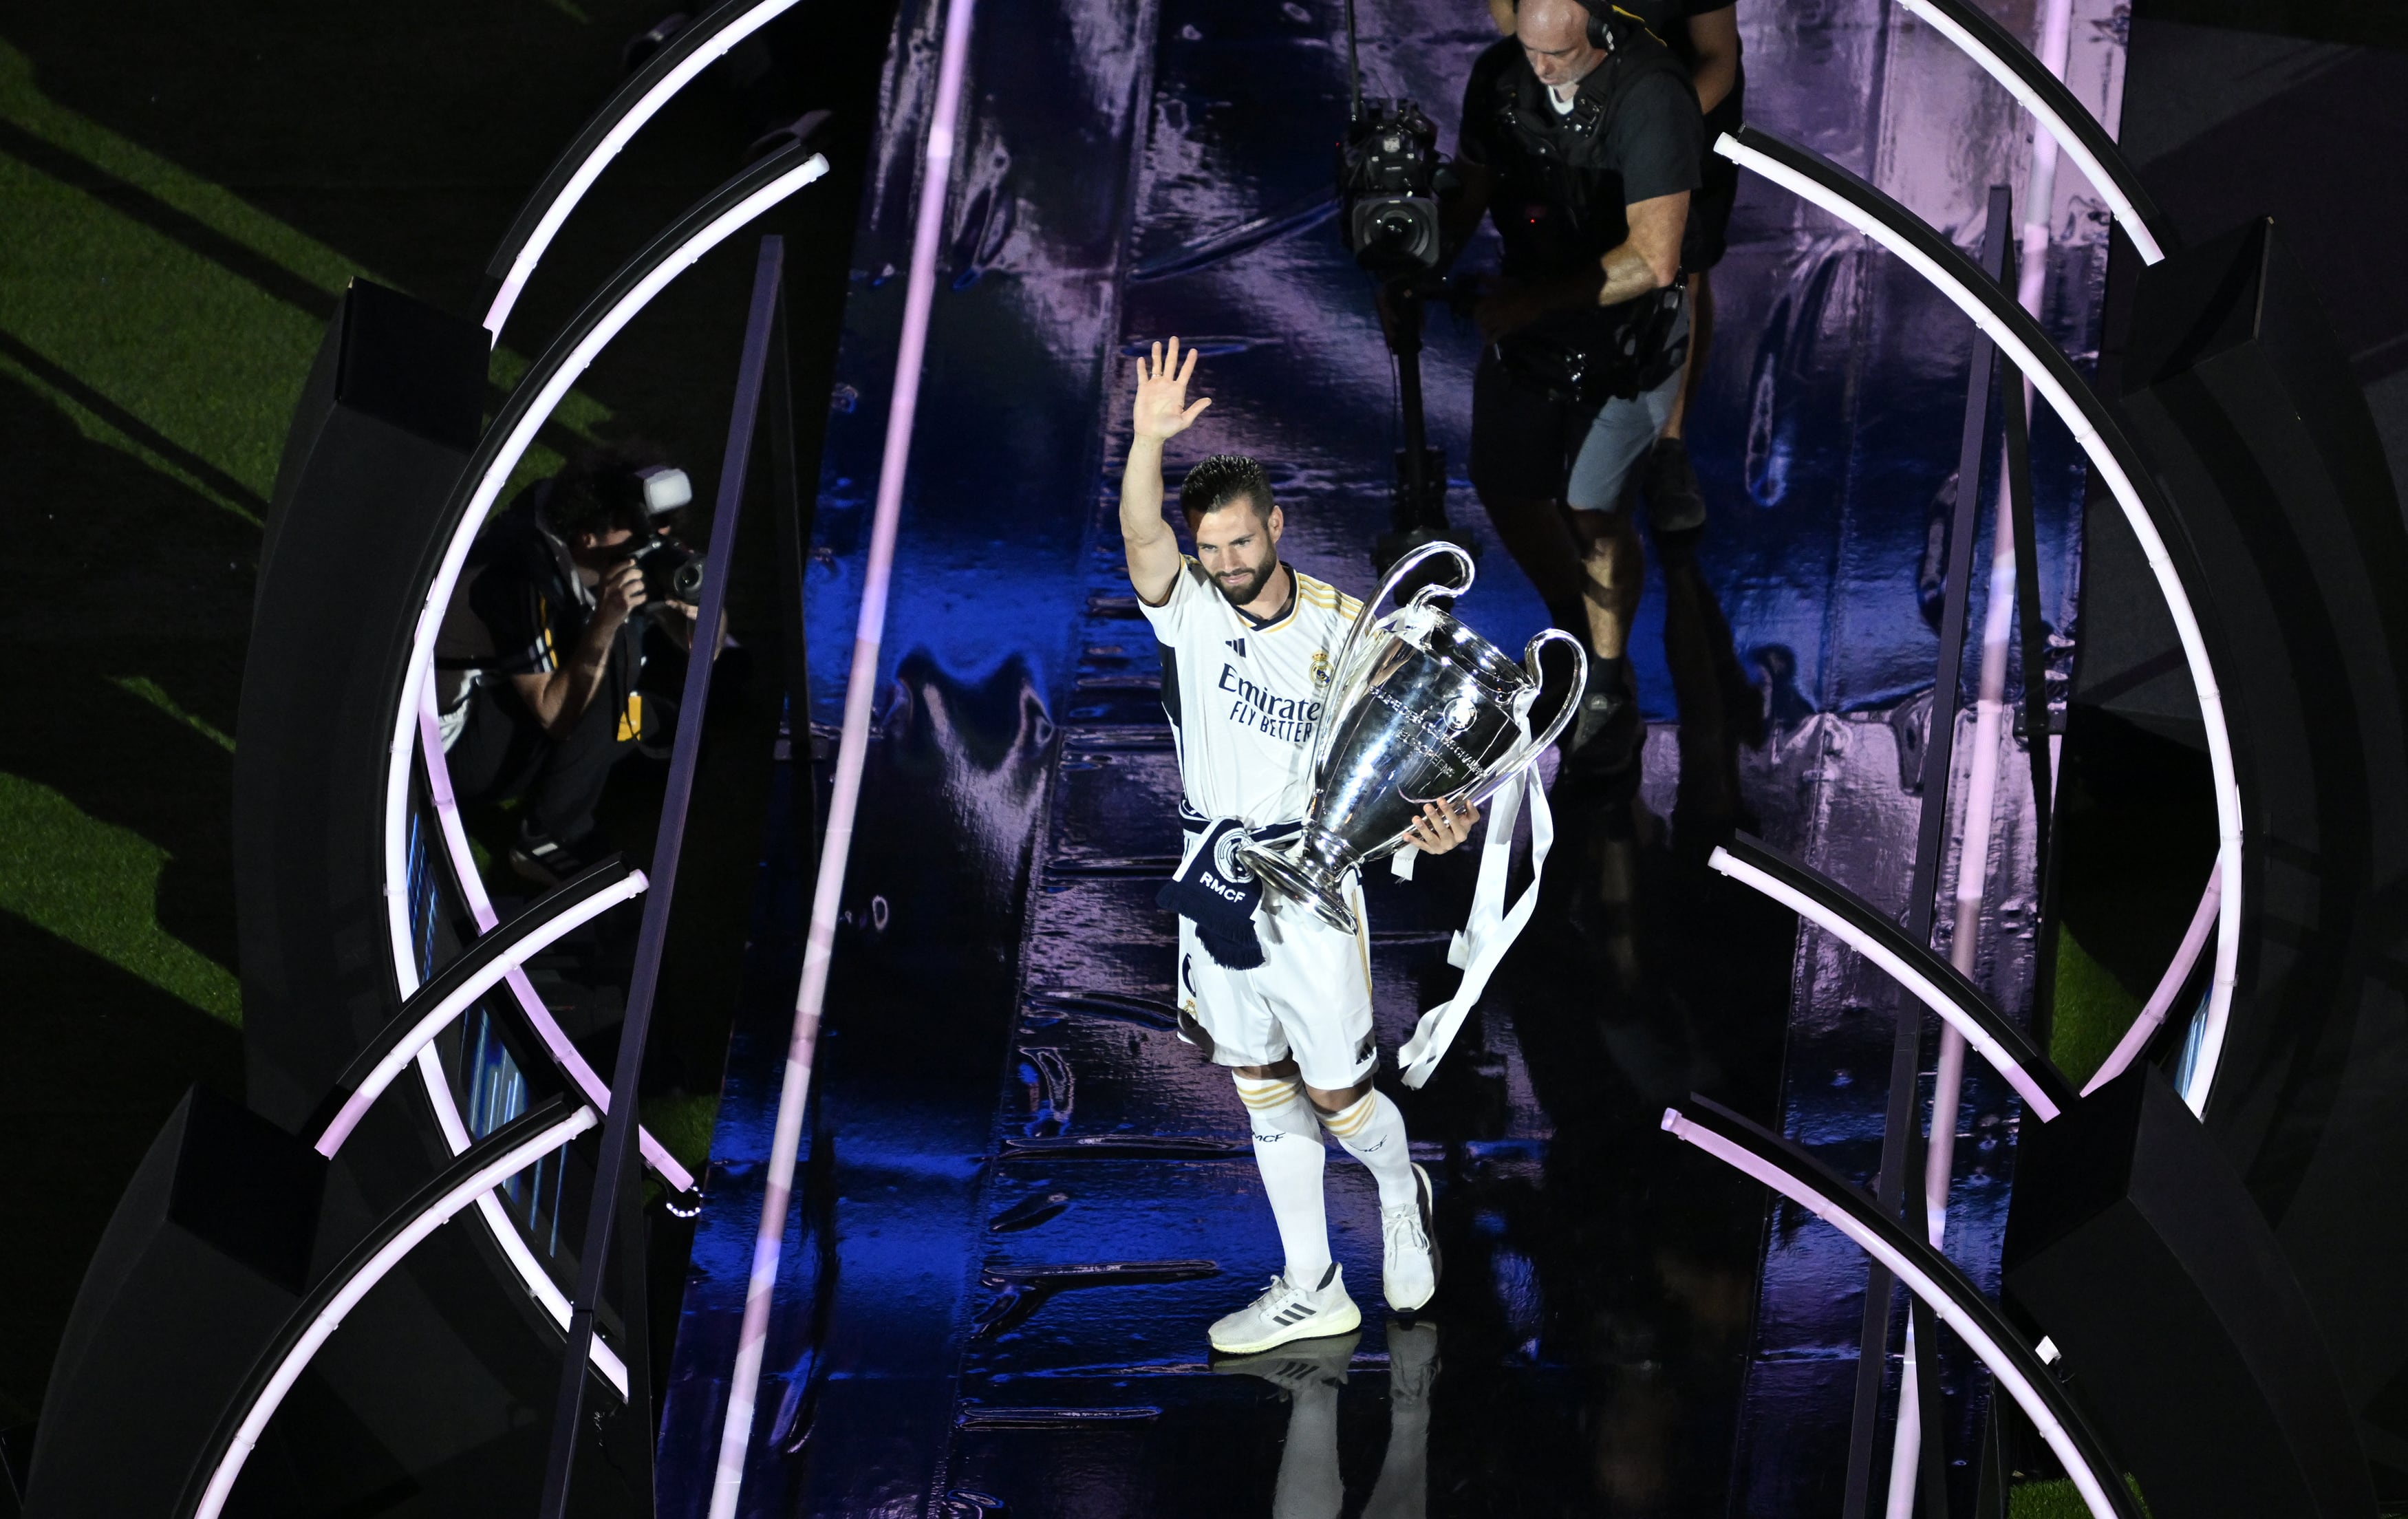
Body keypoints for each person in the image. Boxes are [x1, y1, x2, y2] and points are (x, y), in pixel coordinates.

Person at [1120, 336, 1478, 1355]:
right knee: (1259, 1086)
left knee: (1337, 1095)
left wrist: (1440, 823)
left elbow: (1404, 760)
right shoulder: (1188, 608)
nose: (1228, 564)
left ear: (1277, 526)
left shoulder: (1347, 630)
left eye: (1242, 542)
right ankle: (1313, 1285)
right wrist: (1147, 440)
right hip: (1212, 878)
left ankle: (1399, 1189)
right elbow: (1142, 536)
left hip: (1312, 885)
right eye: (1213, 548)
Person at [1447, 0, 1703, 774]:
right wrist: (1422, 257)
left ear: (1598, 37)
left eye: (1555, 56)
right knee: (1507, 487)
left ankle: (1606, 676)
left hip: (1627, 338)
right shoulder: (1502, 76)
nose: (1539, 70)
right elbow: (1468, 184)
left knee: (1592, 511)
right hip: (1530, 328)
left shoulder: (1651, 92)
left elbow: (1654, 260)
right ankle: (1571, 622)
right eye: (1528, 51)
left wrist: (1534, 301)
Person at [435, 445, 700, 883]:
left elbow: (706, 650)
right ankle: (548, 836)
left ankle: (608, 746)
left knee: (694, 700)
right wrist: (609, 619)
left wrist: (693, 607)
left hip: (500, 688)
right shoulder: (518, 575)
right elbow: (554, 714)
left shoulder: (566, 516)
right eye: (637, 532)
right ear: (588, 537)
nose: (651, 542)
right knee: (614, 654)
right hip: (454, 752)